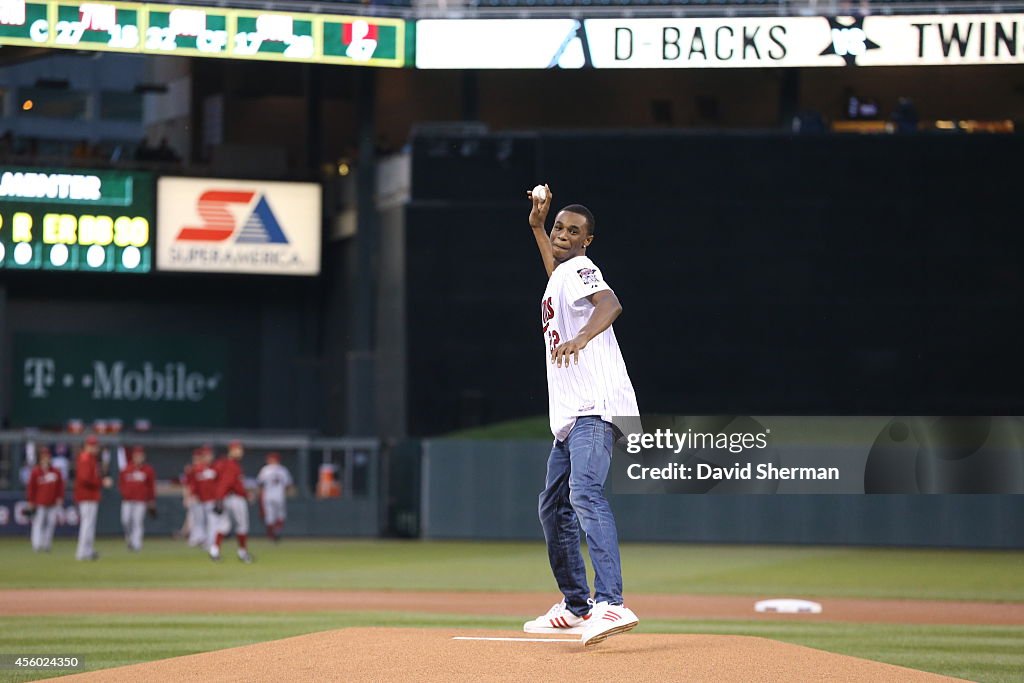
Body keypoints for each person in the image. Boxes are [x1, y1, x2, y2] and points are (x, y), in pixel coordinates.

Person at [521, 185, 640, 647]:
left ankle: (611, 603)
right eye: (559, 228)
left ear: (588, 241)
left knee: (585, 493)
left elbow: (610, 304)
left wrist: (584, 337)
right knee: (552, 508)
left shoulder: (583, 268)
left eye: (574, 231)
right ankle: (576, 606)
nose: (564, 235)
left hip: (594, 404)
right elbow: (553, 268)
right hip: (571, 415)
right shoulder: (562, 276)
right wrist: (536, 222)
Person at [209, 441, 253, 563]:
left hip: (225, 498)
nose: (241, 452)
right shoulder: (231, 465)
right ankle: (242, 553)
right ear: (232, 450)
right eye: (238, 449)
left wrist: (219, 498)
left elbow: (216, 482)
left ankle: (214, 551)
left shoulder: (221, 463)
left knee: (223, 525)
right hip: (235, 498)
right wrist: (246, 494)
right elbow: (228, 483)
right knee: (242, 525)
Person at [73, 435, 111, 561]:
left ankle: (87, 551)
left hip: (91, 495)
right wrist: (101, 482)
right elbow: (85, 479)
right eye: (92, 445)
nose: (95, 448)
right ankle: (82, 552)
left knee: (89, 525)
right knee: (87, 524)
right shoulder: (85, 458)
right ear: (87, 446)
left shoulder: (91, 458)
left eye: (96, 445)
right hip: (86, 495)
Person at [26, 446, 64, 552]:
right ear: (40, 458)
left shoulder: (56, 471)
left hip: (52, 502)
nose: (46, 458)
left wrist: (60, 497)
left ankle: (47, 544)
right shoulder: (36, 472)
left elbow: (60, 486)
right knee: (38, 523)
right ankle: (37, 545)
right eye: (43, 456)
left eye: (47, 456)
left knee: (50, 523)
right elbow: (31, 488)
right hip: (39, 502)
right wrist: (30, 501)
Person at [118, 446, 156, 551]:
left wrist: (151, 500)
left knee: (137, 521)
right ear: (133, 456)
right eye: (137, 456)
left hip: (141, 500)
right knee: (125, 520)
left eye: (141, 456)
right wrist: (124, 493)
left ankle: (137, 544)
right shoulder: (126, 469)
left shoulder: (148, 470)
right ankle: (130, 539)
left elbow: (151, 486)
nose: (139, 458)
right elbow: (121, 484)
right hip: (127, 500)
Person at [257, 452, 293, 542]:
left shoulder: (265, 469)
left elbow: (260, 484)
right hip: (279, 496)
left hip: (268, 496)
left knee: (271, 517)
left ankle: (272, 534)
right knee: (279, 516)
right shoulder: (283, 470)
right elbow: (288, 485)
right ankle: (276, 533)